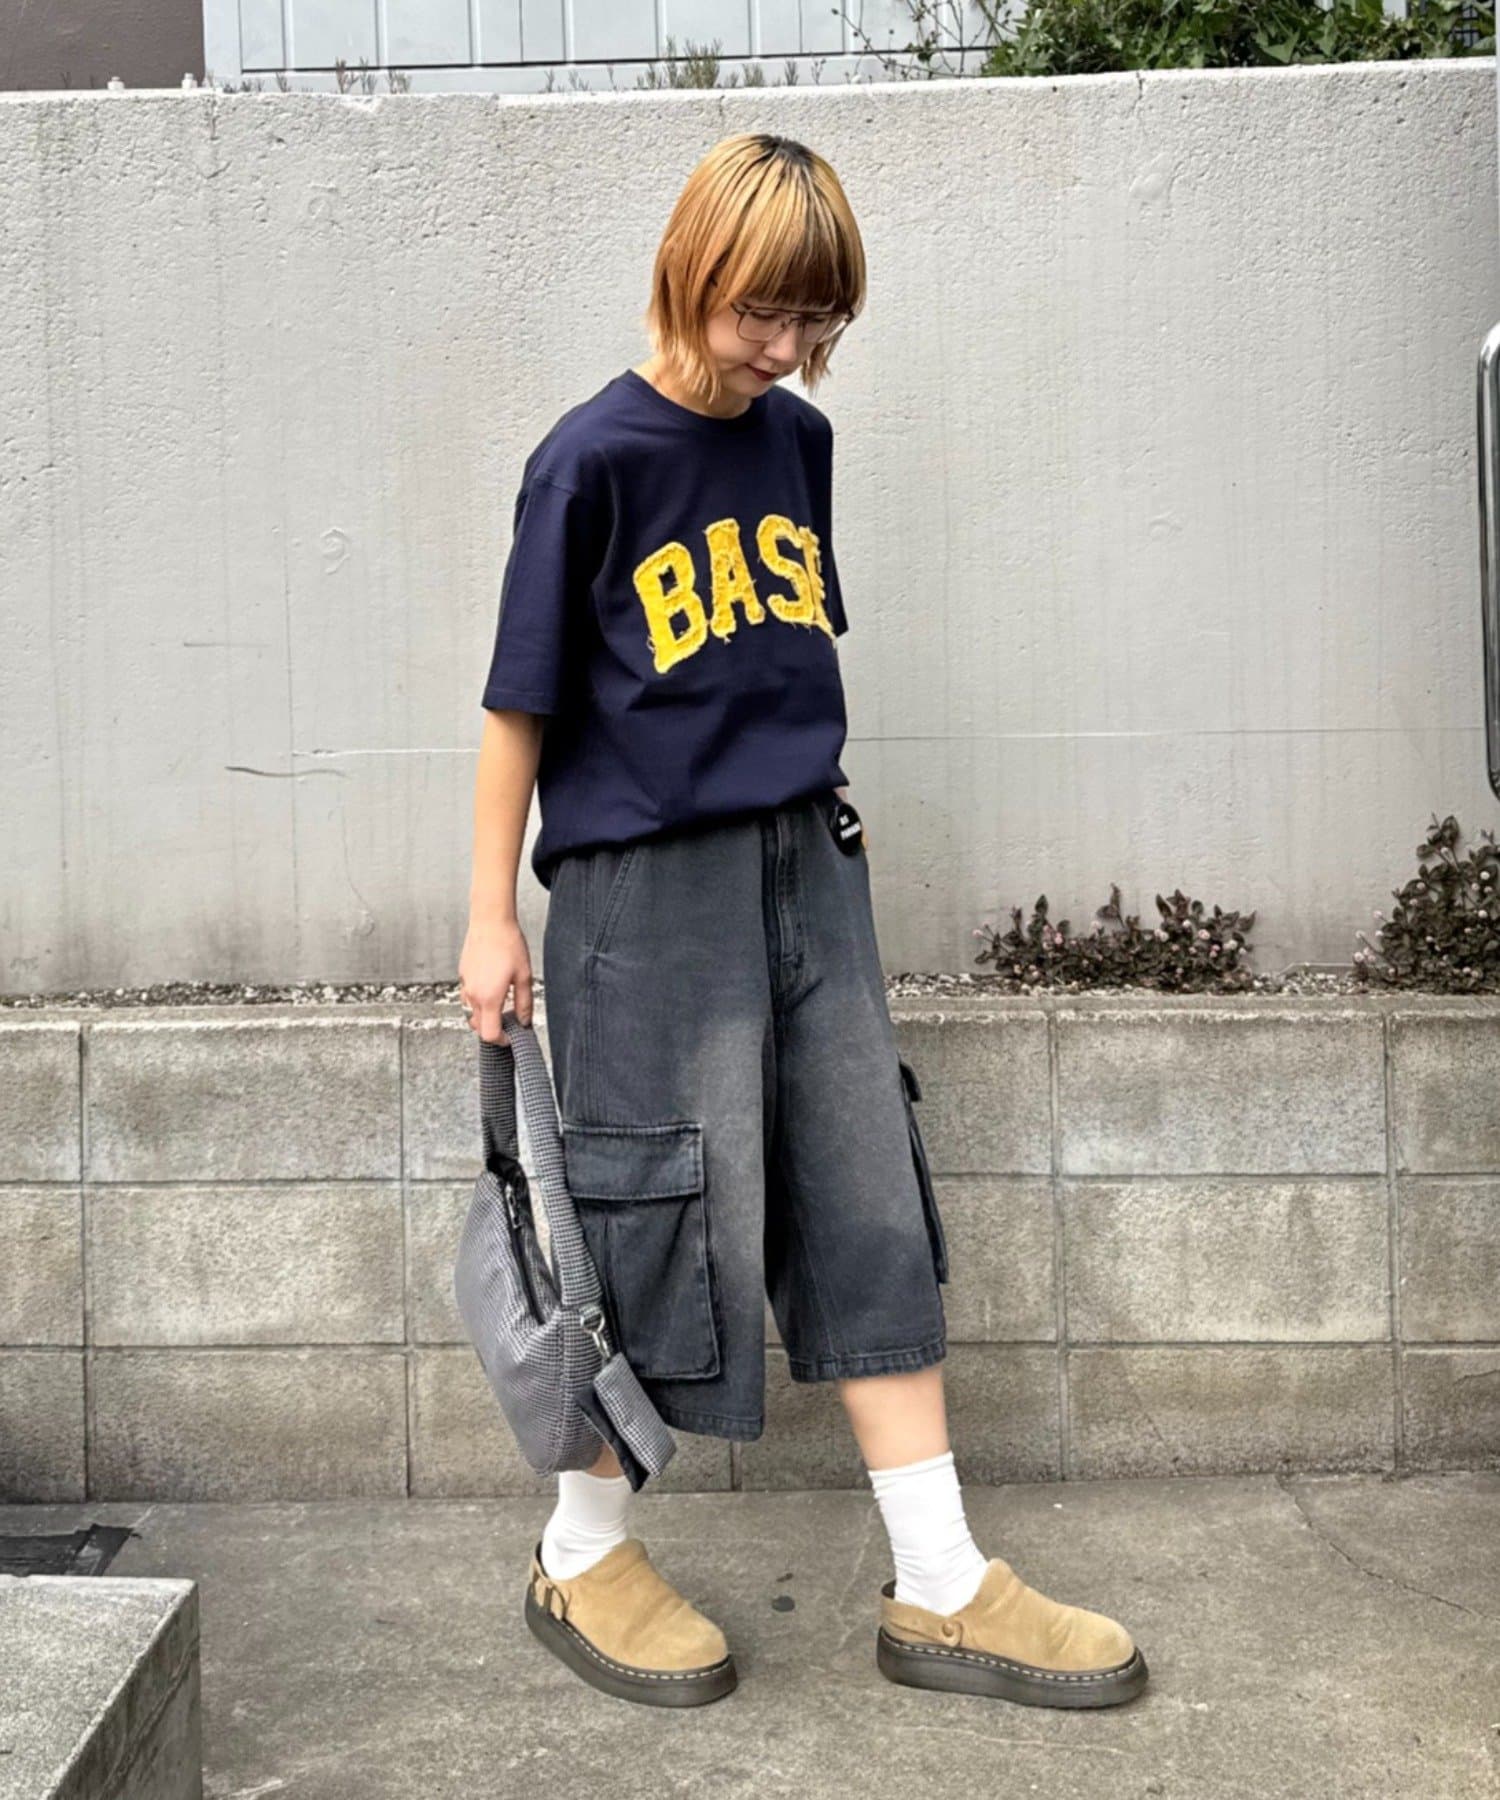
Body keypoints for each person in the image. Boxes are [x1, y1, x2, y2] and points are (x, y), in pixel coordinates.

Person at [458, 131, 1147, 1712]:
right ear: (691, 271)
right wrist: (488, 916)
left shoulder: (796, 443)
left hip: (806, 870)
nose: (785, 347)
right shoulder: (589, 462)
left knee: (866, 1195)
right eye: (761, 311)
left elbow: (773, 655)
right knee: (647, 1213)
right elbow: (518, 706)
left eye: (816, 320)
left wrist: (817, 837)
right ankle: (579, 1554)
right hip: (644, 893)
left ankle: (942, 1583)